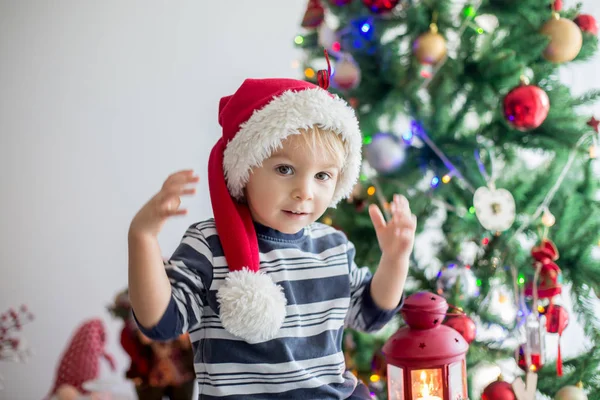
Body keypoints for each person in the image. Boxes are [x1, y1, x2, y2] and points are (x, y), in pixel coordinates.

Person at [128, 77, 417, 399]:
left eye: (322, 176)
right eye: (284, 169)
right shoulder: (209, 244)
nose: (304, 192)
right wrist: (143, 237)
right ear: (245, 170)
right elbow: (162, 323)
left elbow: (371, 314)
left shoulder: (333, 247)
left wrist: (394, 259)